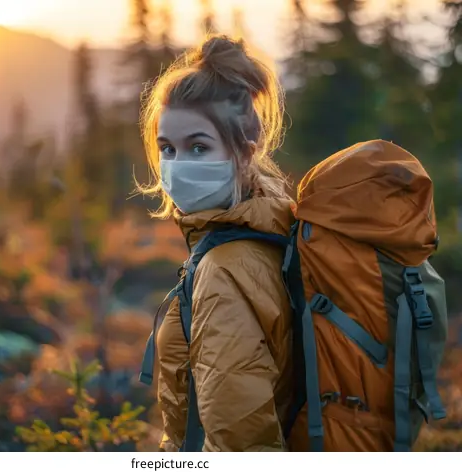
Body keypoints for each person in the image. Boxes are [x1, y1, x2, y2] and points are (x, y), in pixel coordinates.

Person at [136, 34, 296, 452]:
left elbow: (240, 444)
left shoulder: (224, 269)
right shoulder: (273, 227)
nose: (177, 167)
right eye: (167, 148)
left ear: (245, 150)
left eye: (198, 147)